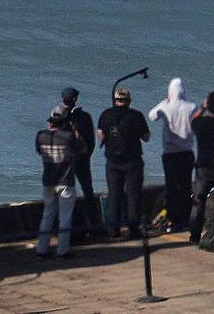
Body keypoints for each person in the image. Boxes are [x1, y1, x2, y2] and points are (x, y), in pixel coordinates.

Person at [97, 87, 151, 239]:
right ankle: (133, 229)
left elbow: (100, 135)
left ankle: (113, 230)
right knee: (133, 195)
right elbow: (146, 137)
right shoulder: (136, 115)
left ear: (115, 100)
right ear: (129, 101)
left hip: (112, 162)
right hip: (132, 161)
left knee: (114, 195)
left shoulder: (106, 114)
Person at [35, 109, 87, 257]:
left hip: (48, 180)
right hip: (65, 181)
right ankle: (62, 250)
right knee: (65, 217)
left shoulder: (40, 136)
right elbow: (83, 148)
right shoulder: (68, 137)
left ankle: (41, 248)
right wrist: (75, 130)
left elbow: (39, 151)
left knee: (47, 215)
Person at [148, 77, 196, 232]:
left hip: (169, 154)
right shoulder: (191, 106)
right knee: (185, 186)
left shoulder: (166, 107)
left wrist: (163, 103)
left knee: (171, 187)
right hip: (187, 153)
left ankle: (173, 219)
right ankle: (186, 218)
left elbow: (152, 116)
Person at [188, 91, 214, 243]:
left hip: (203, 168)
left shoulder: (200, 123)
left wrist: (202, 107)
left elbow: (193, 120)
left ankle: (194, 234)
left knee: (198, 202)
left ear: (208, 106)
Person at [55, 88, 98, 237]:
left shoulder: (57, 115)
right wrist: (86, 157)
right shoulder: (85, 117)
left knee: (66, 195)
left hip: (66, 162)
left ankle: (70, 230)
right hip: (82, 160)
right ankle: (95, 227)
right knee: (88, 192)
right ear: (75, 99)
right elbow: (91, 142)